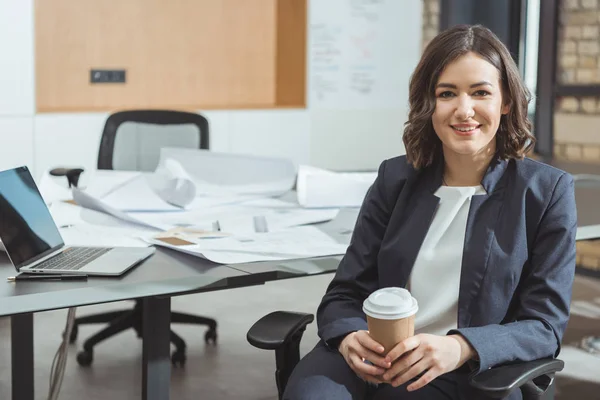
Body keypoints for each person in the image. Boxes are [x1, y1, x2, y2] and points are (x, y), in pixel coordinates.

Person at [282, 24, 577, 400]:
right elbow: (346, 291)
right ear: (429, 103)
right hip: (370, 353)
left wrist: (460, 346)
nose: (463, 110)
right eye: (447, 93)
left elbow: (544, 326)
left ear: (505, 102)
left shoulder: (546, 192)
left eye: (480, 92)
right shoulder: (396, 178)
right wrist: (348, 336)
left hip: (466, 368)